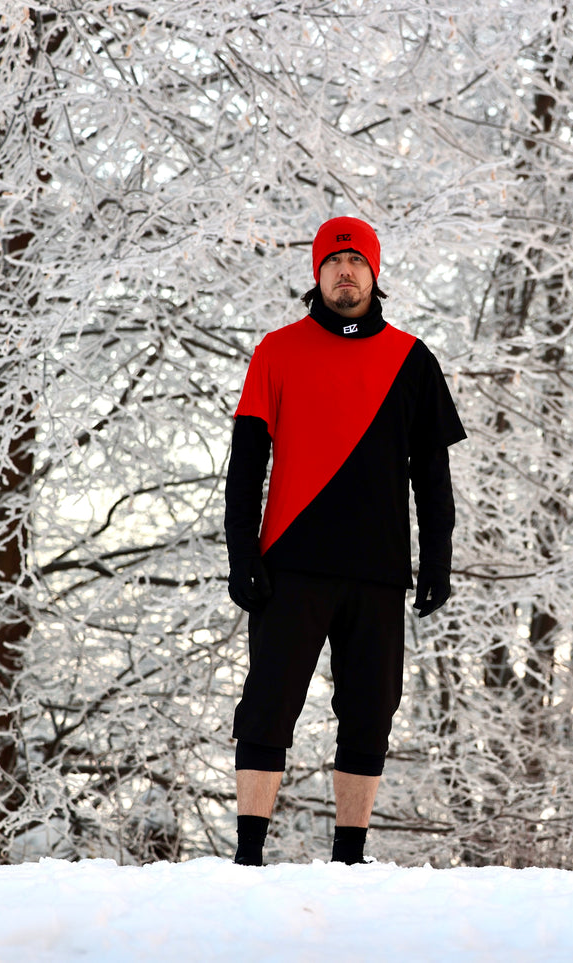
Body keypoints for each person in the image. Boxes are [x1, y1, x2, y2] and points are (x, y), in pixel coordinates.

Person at [223, 216, 466, 866]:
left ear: (374, 272)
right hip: (289, 567)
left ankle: (349, 860)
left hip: (380, 572)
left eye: (356, 260)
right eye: (333, 261)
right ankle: (248, 857)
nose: (345, 271)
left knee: (370, 714)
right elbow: (245, 465)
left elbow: (433, 478)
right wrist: (240, 552)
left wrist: (437, 559)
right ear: (316, 273)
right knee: (267, 708)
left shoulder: (411, 361)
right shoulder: (276, 351)